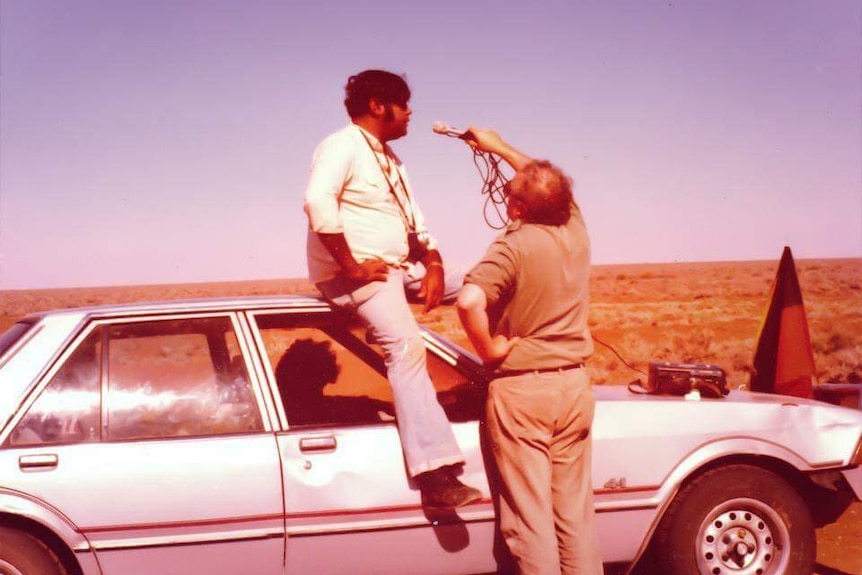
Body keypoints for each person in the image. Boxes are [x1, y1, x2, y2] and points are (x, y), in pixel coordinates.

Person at [302, 69, 481, 509]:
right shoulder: (340, 146)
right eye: (403, 104)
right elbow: (317, 201)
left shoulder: (390, 161)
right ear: (379, 106)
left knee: (488, 278)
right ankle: (436, 475)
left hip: (398, 270)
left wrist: (435, 263)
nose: (410, 112)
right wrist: (351, 265)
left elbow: (415, 224)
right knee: (406, 347)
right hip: (358, 279)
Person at [456, 127, 603, 574]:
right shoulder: (575, 231)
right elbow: (544, 182)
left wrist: (489, 349)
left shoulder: (513, 246)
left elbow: (468, 301)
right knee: (574, 518)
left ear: (517, 207)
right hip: (574, 386)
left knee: (530, 520)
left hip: (523, 394)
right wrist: (498, 147)